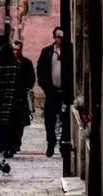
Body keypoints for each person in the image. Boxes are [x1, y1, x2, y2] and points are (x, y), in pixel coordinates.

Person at [0, 38, 36, 159]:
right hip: (13, 102)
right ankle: (9, 147)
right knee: (12, 127)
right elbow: (23, 84)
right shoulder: (17, 68)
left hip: (0, 103)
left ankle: (1, 146)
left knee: (1, 126)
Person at [36, 26, 73, 157]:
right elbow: (40, 69)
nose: (60, 39)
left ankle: (64, 144)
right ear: (54, 37)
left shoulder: (70, 51)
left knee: (65, 119)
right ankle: (50, 144)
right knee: (49, 120)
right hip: (51, 92)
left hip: (65, 92)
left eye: (62, 37)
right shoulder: (47, 52)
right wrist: (44, 86)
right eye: (58, 37)